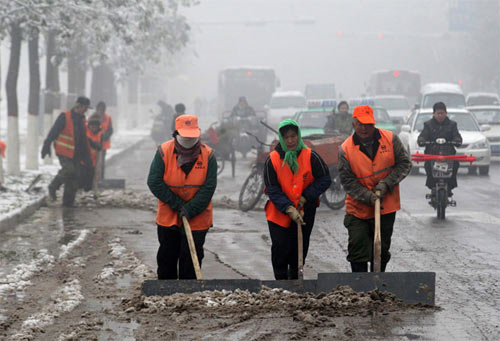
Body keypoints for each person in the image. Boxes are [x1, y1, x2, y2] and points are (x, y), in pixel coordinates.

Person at [338, 105, 411, 272]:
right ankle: (360, 286)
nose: (364, 128)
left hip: (386, 207)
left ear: (374, 124)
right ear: (354, 124)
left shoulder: (391, 139)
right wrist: (367, 196)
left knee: (381, 249)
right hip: (358, 208)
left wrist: (386, 183)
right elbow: (347, 181)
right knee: (358, 248)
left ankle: (378, 282)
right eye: (360, 124)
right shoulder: (345, 149)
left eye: (368, 124)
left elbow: (405, 164)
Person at [147, 114, 217, 279]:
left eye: (191, 137)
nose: (187, 141)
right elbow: (154, 181)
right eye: (184, 136)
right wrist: (177, 204)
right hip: (169, 215)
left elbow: (209, 187)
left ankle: (189, 296)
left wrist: (191, 208)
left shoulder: (208, 155)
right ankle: (166, 295)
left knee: (191, 260)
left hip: (198, 217)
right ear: (176, 133)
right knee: (167, 258)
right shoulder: (163, 152)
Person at [264, 119, 332, 280]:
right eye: (286, 137)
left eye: (293, 136)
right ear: (281, 138)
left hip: (305, 210)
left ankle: (295, 279)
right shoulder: (272, 159)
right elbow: (272, 189)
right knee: (280, 248)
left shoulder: (310, 156)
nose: (290, 141)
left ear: (298, 136)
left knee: (299, 249)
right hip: (279, 213)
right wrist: (288, 208)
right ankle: (281, 283)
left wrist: (305, 197)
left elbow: (324, 179)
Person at [41, 96, 93, 206]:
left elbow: (83, 139)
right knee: (69, 170)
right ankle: (53, 186)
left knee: (74, 178)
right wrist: (46, 145)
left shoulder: (82, 119)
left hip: (77, 153)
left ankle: (68, 203)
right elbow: (54, 131)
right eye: (85, 107)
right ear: (79, 106)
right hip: (64, 151)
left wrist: (87, 157)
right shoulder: (65, 116)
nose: (86, 110)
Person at [417, 102, 462, 196]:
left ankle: (450, 186)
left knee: (456, 164)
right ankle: (432, 186)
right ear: (434, 114)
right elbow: (422, 136)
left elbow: (457, 137)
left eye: (442, 113)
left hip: (448, 155)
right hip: (432, 154)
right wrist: (422, 140)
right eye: (438, 113)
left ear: (446, 113)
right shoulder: (428, 125)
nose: (440, 115)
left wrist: (457, 140)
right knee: (428, 165)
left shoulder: (452, 125)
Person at [94, 101, 113, 179]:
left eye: (102, 110)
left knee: (101, 163)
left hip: (103, 145)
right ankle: (94, 179)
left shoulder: (108, 118)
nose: (100, 112)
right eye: (99, 110)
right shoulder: (92, 118)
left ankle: (101, 178)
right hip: (94, 144)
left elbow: (110, 130)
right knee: (94, 162)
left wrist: (105, 136)